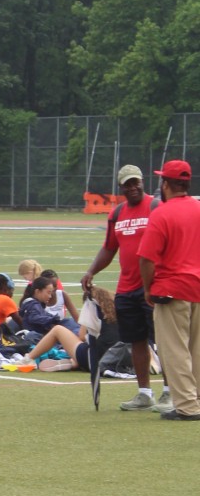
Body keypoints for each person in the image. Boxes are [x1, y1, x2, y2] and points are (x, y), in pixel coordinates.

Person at [81, 165, 167, 413]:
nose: (133, 187)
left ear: (142, 181)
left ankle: (171, 391)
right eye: (127, 184)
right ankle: (145, 393)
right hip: (127, 288)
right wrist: (91, 271)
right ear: (121, 188)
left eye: (135, 182)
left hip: (153, 286)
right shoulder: (117, 213)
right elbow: (109, 248)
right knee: (135, 341)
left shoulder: (156, 207)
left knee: (164, 341)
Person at [137, 158, 200, 421]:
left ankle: (187, 406)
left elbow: (146, 258)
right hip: (197, 287)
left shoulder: (162, 213)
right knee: (196, 349)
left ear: (165, 184)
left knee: (174, 350)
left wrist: (147, 288)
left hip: (171, 289)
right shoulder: (198, 208)